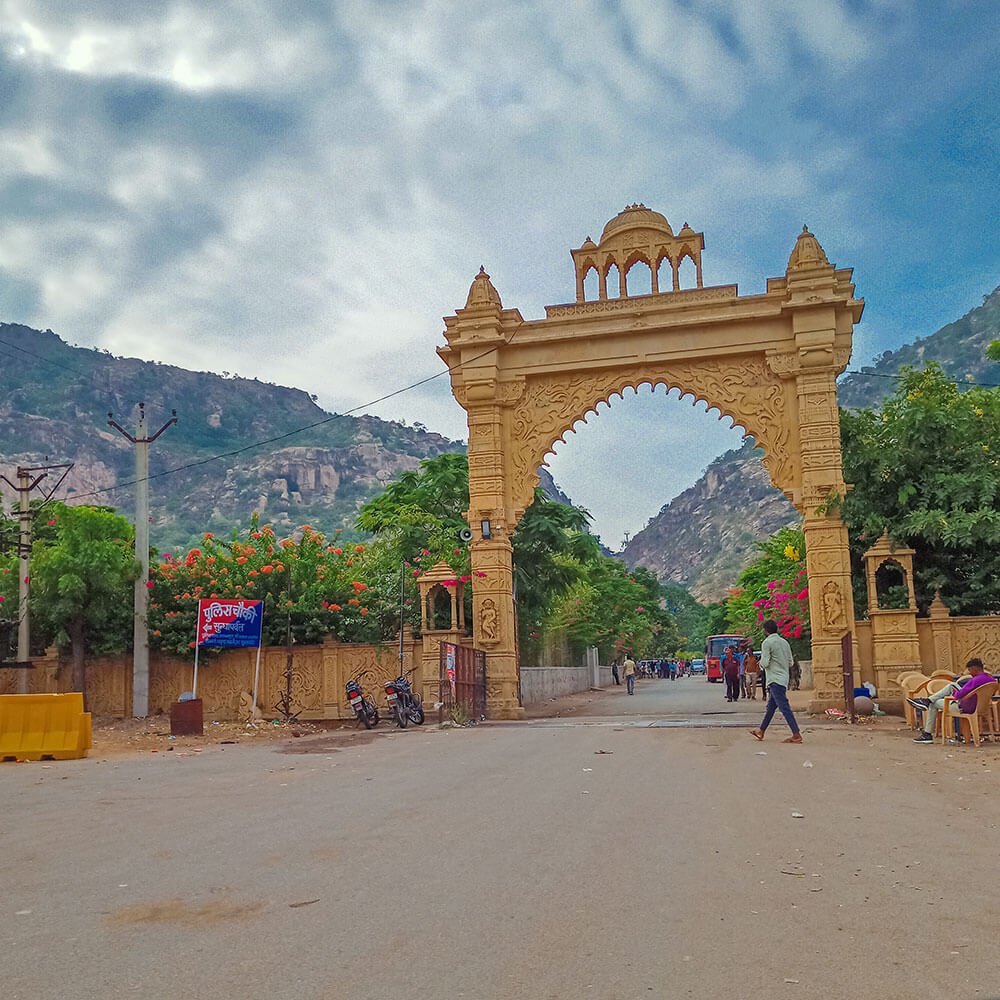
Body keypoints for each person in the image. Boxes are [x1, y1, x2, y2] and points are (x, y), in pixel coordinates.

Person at [910, 658, 994, 744]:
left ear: (975, 669)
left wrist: (953, 693)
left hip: (966, 708)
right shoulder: (991, 680)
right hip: (981, 707)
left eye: (970, 671)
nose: (970, 673)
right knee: (948, 689)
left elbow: (959, 695)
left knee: (936, 701)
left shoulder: (975, 680)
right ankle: (927, 701)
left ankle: (927, 733)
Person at [750, 620, 802, 744]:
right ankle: (761, 731)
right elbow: (790, 662)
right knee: (771, 707)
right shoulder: (784, 642)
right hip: (783, 678)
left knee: (784, 707)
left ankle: (796, 734)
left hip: (774, 678)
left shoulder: (767, 643)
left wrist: (760, 664)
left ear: (766, 630)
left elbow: (765, 662)